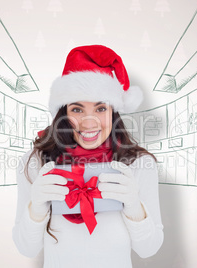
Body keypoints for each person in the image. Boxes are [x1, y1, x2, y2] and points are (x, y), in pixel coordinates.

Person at [12, 45, 164, 267]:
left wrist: (134, 206)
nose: (89, 122)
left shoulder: (139, 164)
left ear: (113, 111)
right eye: (77, 109)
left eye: (100, 109)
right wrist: (36, 208)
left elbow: (148, 249)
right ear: (64, 113)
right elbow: (26, 248)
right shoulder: (35, 162)